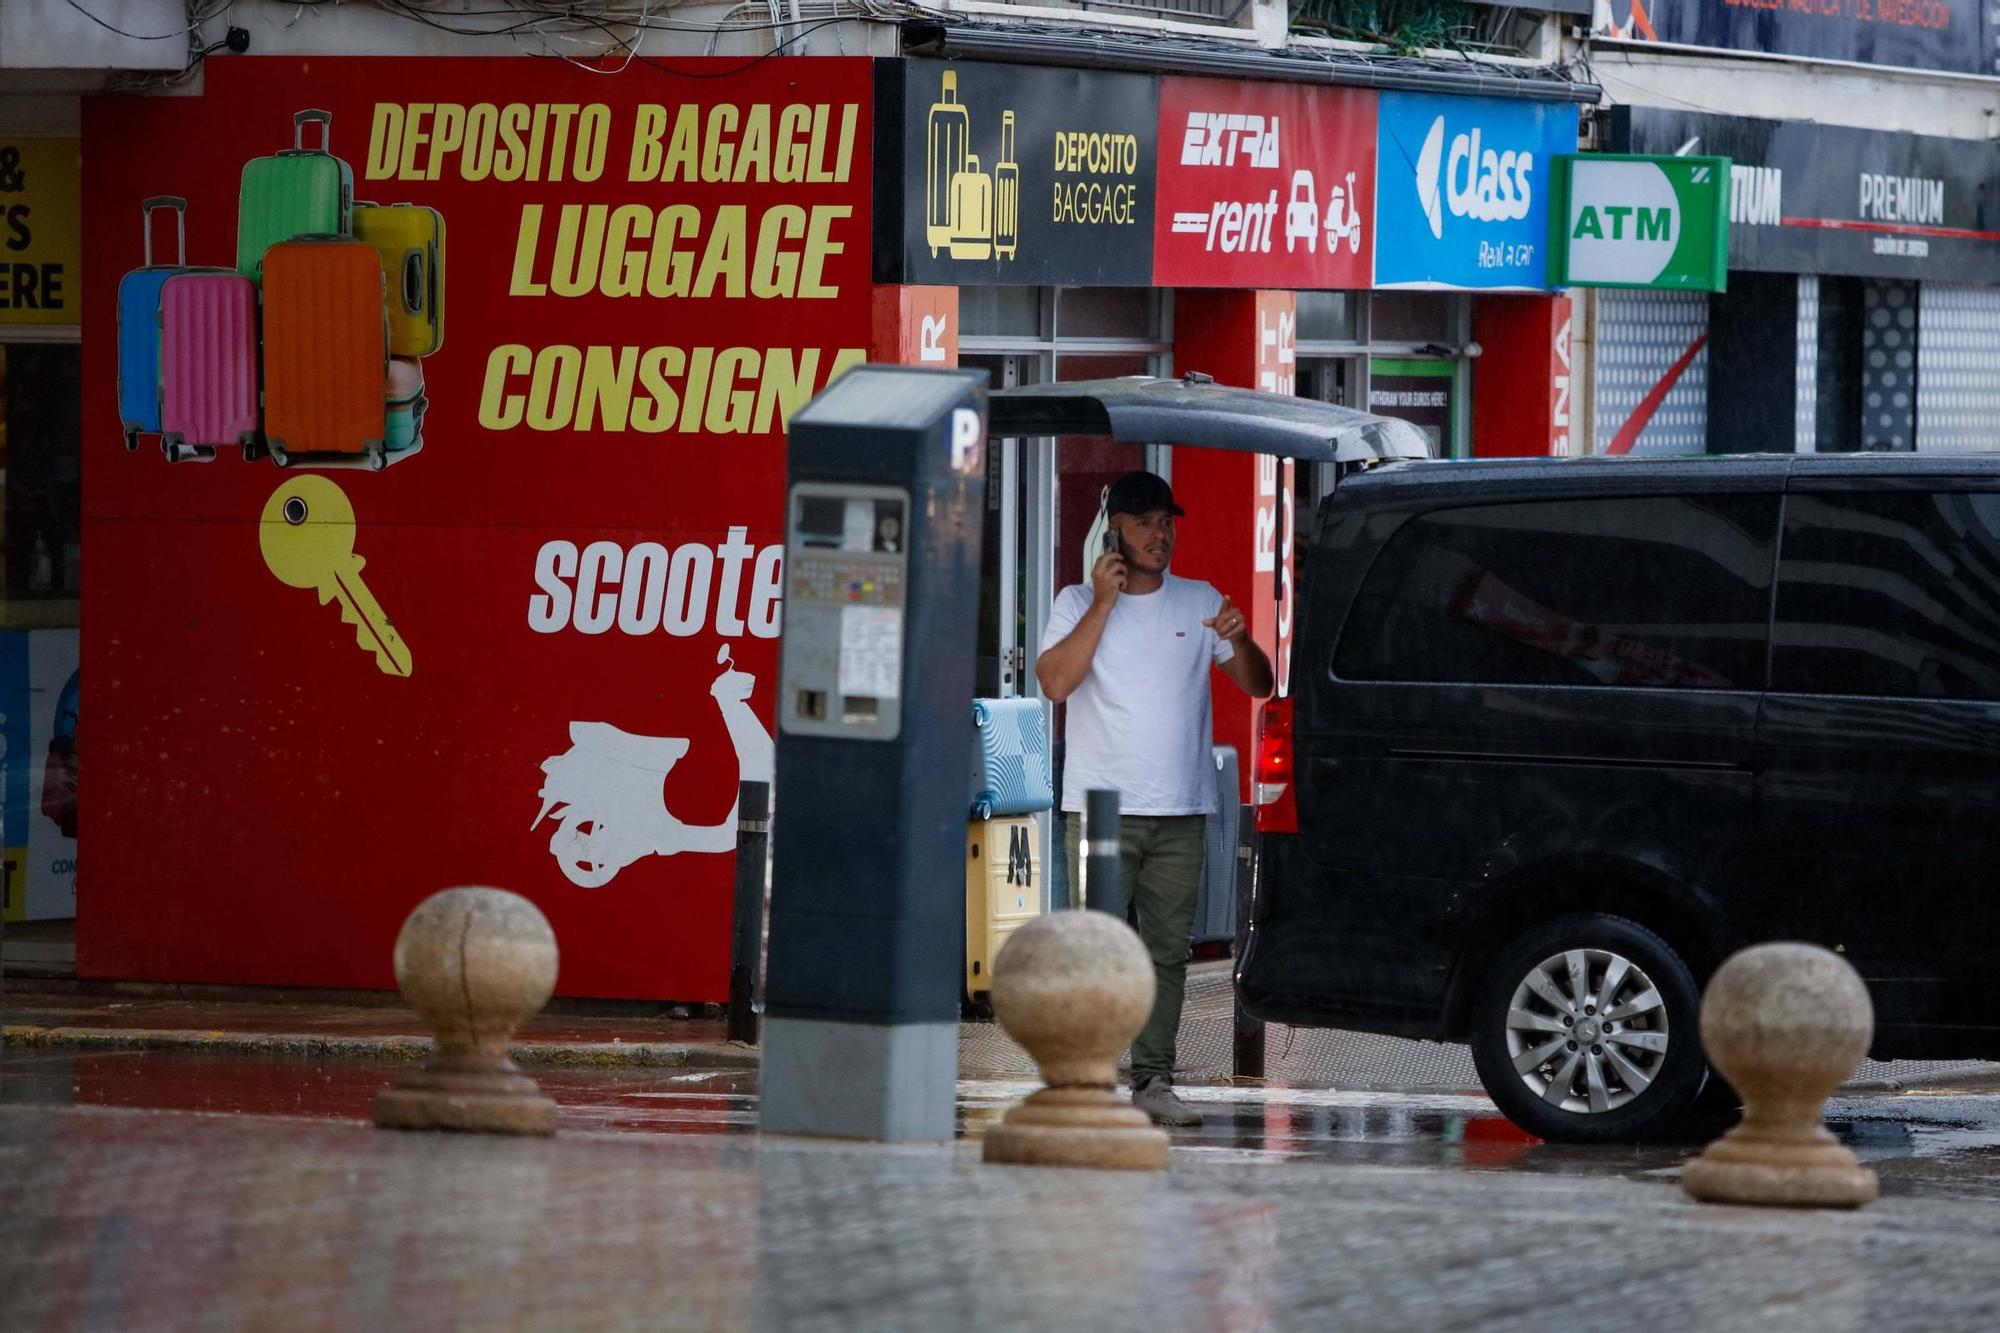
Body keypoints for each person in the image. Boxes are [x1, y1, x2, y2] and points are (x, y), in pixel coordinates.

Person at [1035, 471, 1273, 1127]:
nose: (1159, 534)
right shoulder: (1076, 600)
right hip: (1101, 808)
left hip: (1181, 808)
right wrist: (1103, 605)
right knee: (1100, 949)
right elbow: (1054, 683)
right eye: (1144, 522)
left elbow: (1261, 682)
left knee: (1166, 953)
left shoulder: (1199, 601)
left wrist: (1242, 636)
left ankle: (1154, 1079)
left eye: (1166, 521)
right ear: (1114, 529)